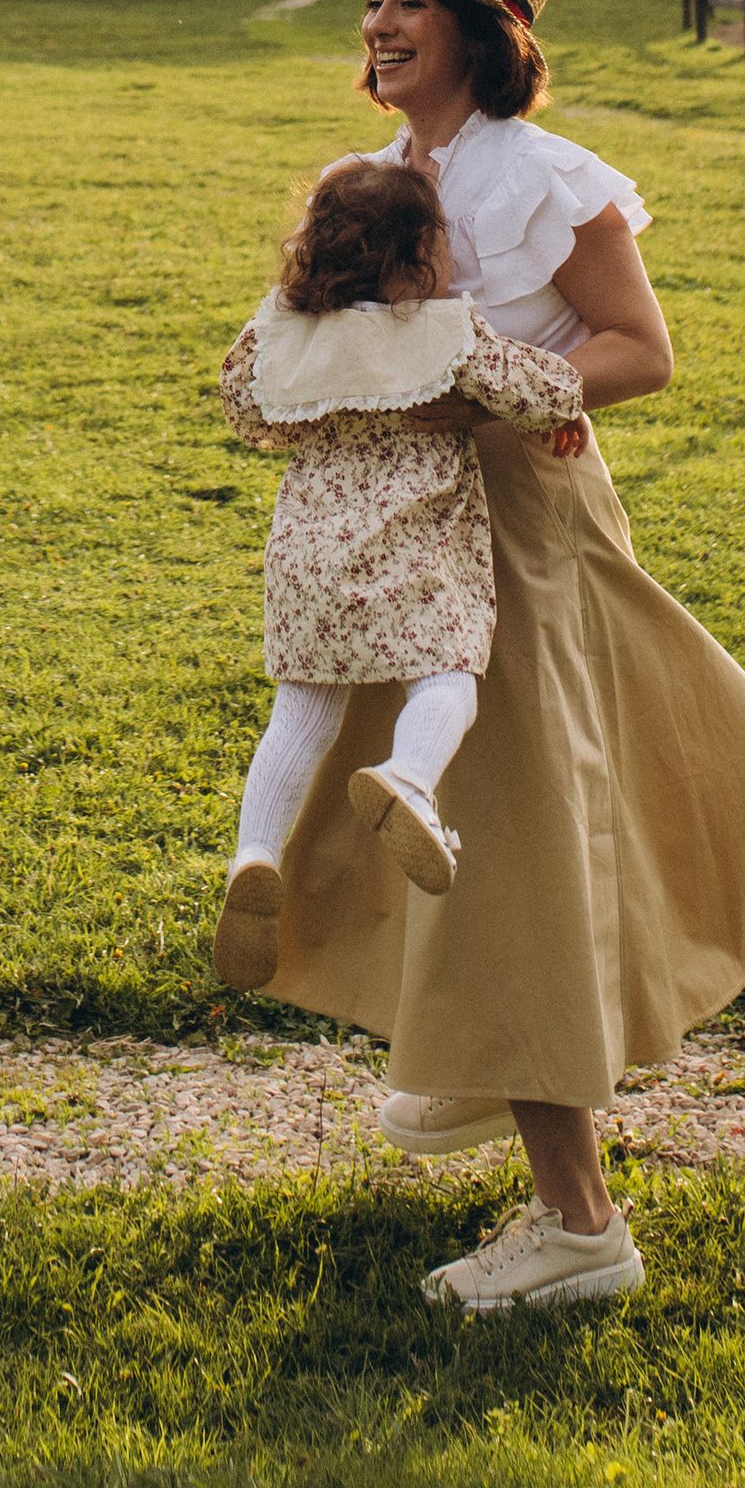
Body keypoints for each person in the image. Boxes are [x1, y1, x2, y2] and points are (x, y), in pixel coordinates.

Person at [250, 0, 745, 1324]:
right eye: (374, 3)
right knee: (441, 840)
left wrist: (487, 373)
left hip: (522, 539)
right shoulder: (371, 176)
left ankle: (579, 1224)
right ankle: (488, 1087)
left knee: (520, 856)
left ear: (480, 32)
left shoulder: (548, 179)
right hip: (392, 535)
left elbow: (640, 352)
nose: (381, 24)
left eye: (412, 1)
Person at [213, 156, 588, 990]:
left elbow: (245, 406)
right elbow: (536, 387)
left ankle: (254, 853)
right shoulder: (445, 328)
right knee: (447, 677)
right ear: (421, 255)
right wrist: (562, 410)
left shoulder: (281, 325)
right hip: (416, 555)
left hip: (307, 559)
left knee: (300, 714)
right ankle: (409, 781)